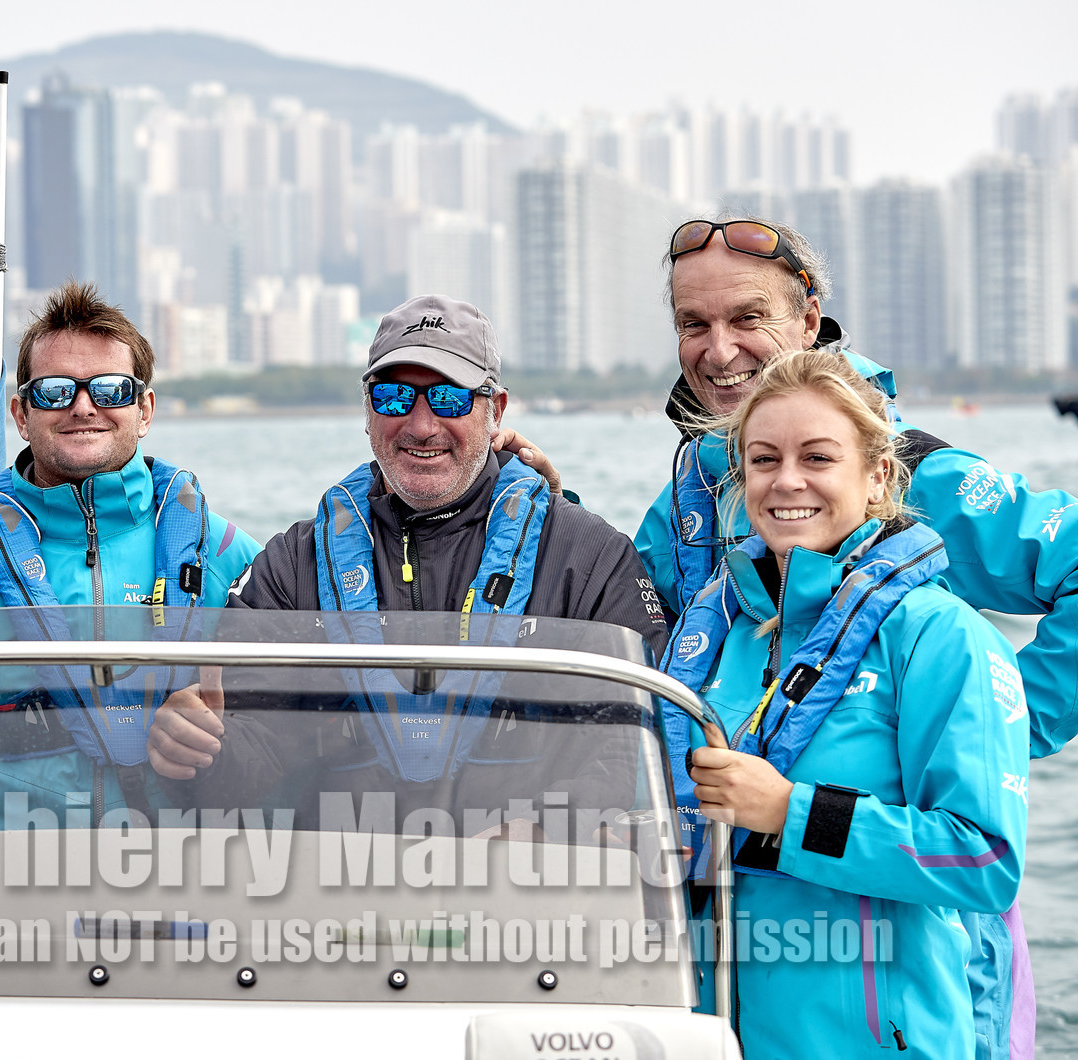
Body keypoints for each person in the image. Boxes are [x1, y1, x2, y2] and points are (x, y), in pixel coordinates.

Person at [611, 214, 1061, 1059]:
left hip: (914, 967)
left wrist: (1004, 715)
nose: (718, 350)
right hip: (737, 991)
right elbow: (629, 635)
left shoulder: (923, 477)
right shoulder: (687, 504)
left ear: (808, 319)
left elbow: (979, 847)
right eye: (693, 324)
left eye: (747, 318)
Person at [660, 350, 1028, 1060]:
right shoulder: (716, 633)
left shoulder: (940, 635)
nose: (787, 480)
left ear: (879, 474)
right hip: (713, 1035)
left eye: (817, 457)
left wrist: (789, 814)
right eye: (763, 460)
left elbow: (985, 859)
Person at [146, 295, 668, 782]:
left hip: (533, 868)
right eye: (394, 397)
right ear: (368, 412)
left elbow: (641, 744)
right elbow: (252, 753)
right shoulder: (294, 566)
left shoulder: (590, 557)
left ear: (497, 412)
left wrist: (549, 829)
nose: (421, 425)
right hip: (345, 867)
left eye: (448, 398)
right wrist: (198, 750)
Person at [0, 281, 260, 824]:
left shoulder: (229, 558)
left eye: (110, 390)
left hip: (180, 886)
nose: (83, 406)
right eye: (55, 391)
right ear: (19, 413)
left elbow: (280, 743)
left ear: (145, 409)